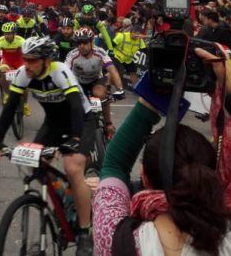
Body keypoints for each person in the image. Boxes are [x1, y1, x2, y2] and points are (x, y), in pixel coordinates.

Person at [0, 36, 95, 255]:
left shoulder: (59, 71)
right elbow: (11, 106)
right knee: (34, 161)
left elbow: (76, 105)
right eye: (24, 59)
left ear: (46, 60)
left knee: (72, 166)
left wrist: (75, 138)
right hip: (54, 123)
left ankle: (85, 232)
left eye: (32, 61)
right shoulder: (23, 74)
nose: (26, 65)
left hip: (81, 121)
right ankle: (67, 195)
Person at [93, 94, 231, 254]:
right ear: (210, 175)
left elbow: (115, 164)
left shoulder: (113, 238)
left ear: (144, 175)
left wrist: (152, 93)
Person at [65, 27, 124, 136]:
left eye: (85, 42)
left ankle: (108, 124)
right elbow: (65, 75)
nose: (81, 46)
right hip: (79, 83)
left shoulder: (100, 52)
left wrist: (120, 89)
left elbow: (113, 70)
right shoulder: (72, 55)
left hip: (96, 80)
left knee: (100, 94)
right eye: (78, 43)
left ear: (91, 42)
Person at [0, 22, 27, 111]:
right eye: (5, 33)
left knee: (25, 82)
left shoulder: (21, 40)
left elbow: (27, 54)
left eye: (9, 33)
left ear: (14, 33)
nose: (6, 35)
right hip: (6, 61)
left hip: (19, 61)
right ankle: (7, 94)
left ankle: (25, 104)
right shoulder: (0, 41)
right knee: (3, 74)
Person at [112, 18, 146, 87]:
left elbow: (145, 50)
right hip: (117, 57)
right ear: (131, 32)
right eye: (136, 34)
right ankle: (107, 86)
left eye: (139, 35)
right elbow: (111, 45)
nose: (137, 36)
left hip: (127, 59)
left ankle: (137, 88)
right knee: (114, 72)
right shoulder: (122, 36)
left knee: (133, 72)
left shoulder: (139, 40)